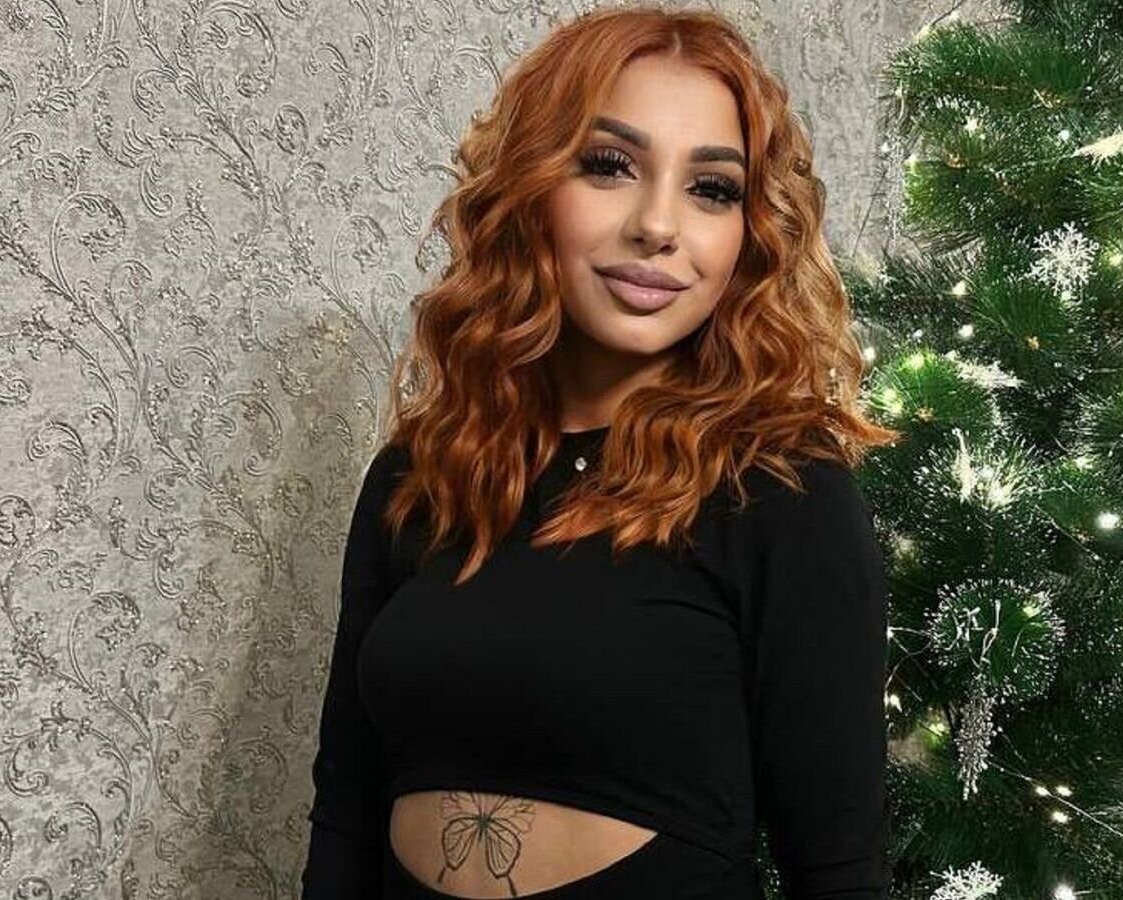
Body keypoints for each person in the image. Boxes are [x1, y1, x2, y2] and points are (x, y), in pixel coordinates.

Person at [301, 5, 899, 898]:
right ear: (531, 187)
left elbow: (839, 870)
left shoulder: (781, 491)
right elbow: (345, 812)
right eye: (610, 166)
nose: (659, 225)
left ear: (749, 235)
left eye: (712, 189)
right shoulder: (421, 473)